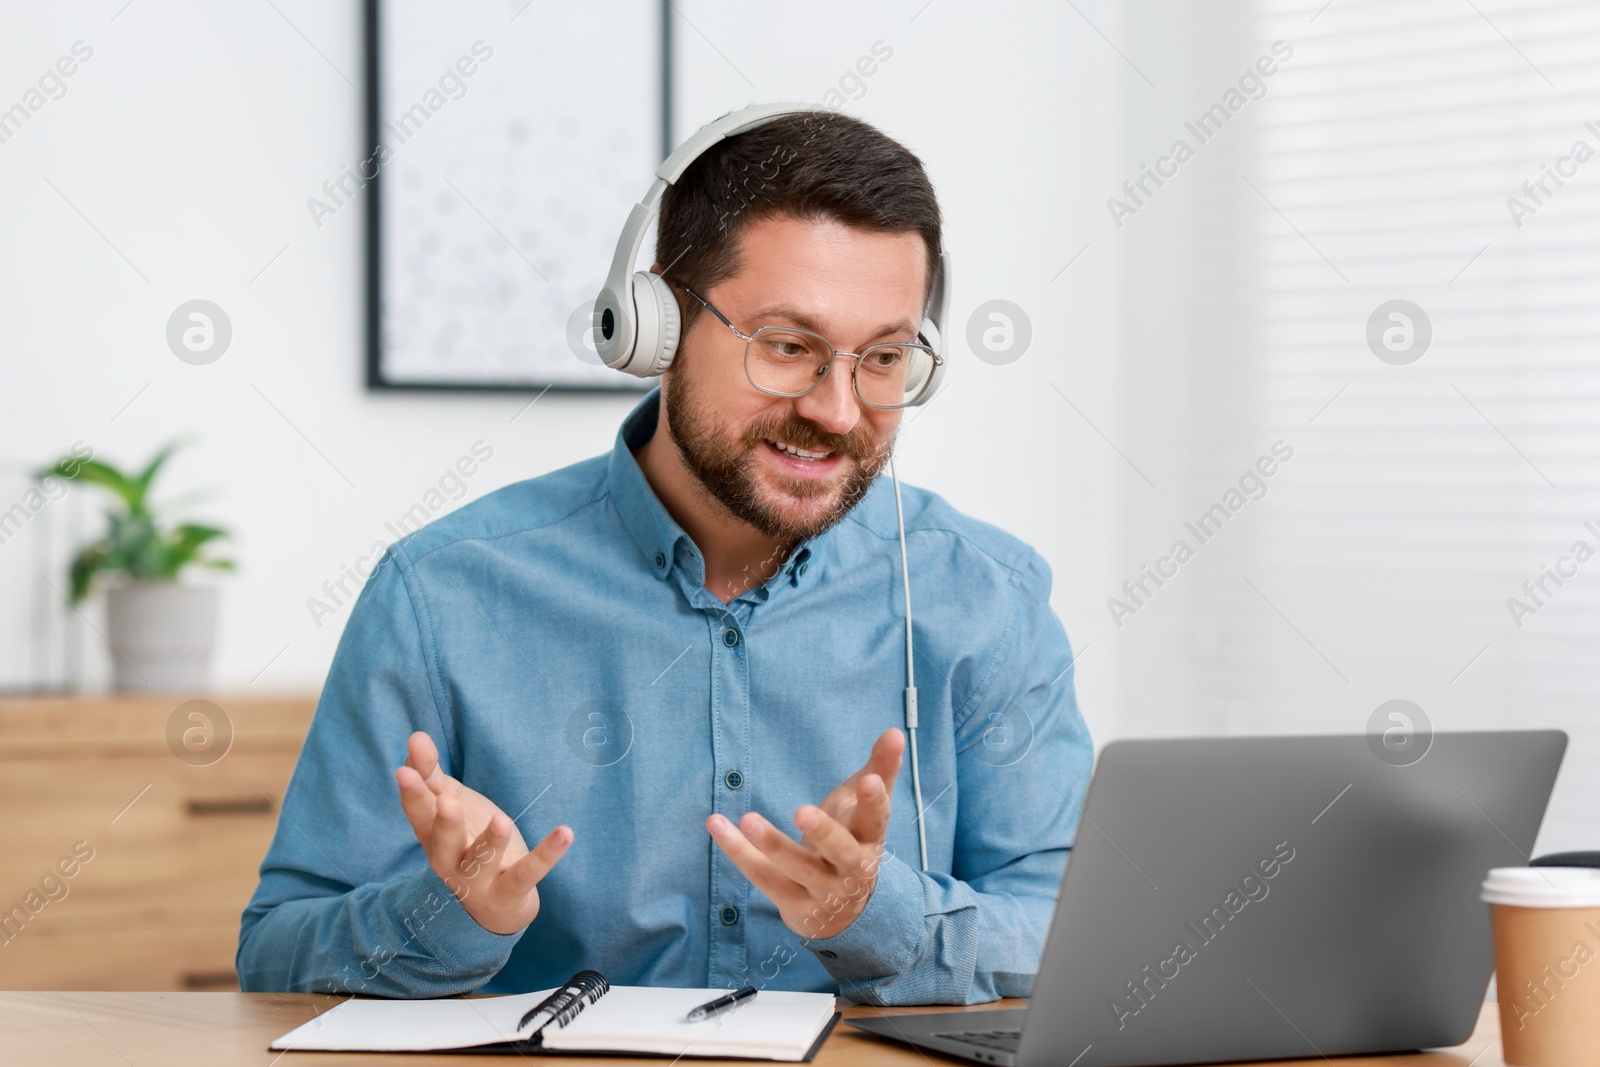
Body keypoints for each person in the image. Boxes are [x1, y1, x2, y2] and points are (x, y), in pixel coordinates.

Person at [236, 108, 1092, 1006]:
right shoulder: (441, 593)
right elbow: (277, 950)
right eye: (789, 347)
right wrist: (451, 914)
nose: (839, 411)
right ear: (656, 325)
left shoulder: (989, 597)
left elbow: (1071, 931)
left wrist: (873, 913)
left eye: (882, 357)